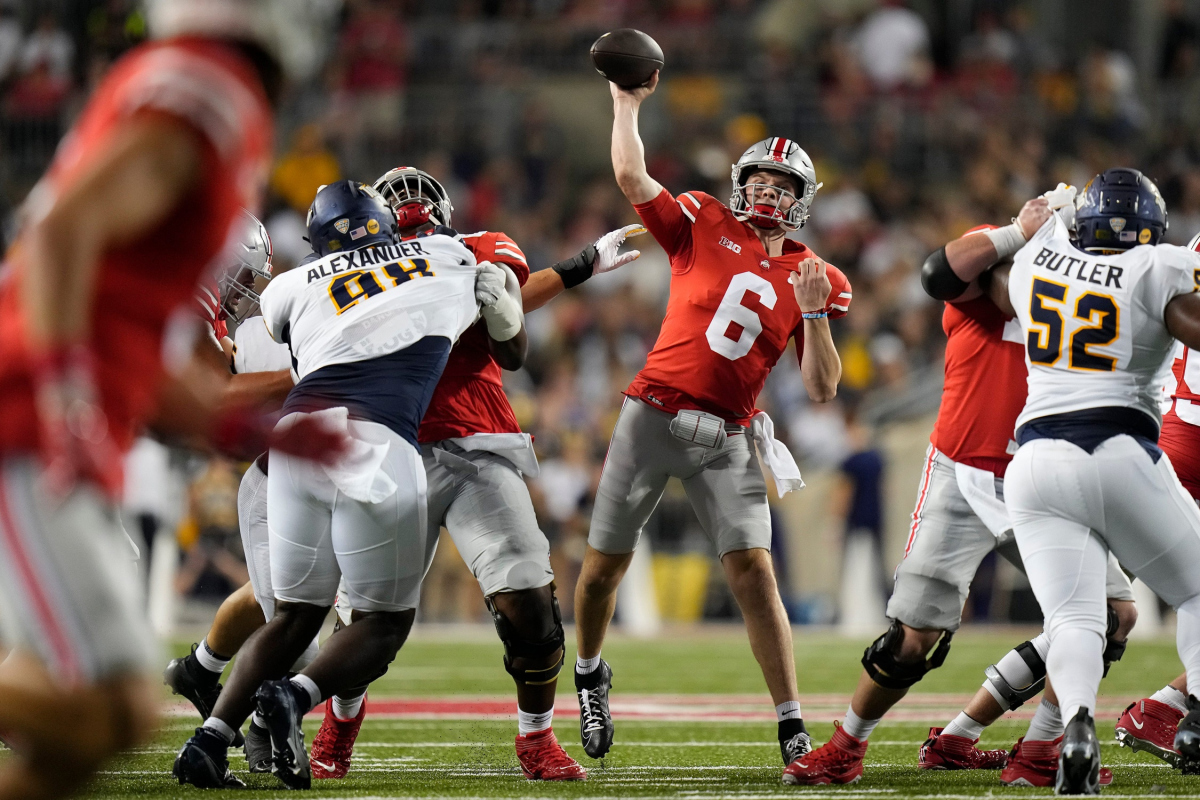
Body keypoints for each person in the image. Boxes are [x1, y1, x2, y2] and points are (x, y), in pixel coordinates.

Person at [0, 2, 345, 798]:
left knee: (84, 732)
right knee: (107, 706)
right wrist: (63, 400)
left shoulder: (194, 86)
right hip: (26, 409)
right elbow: (55, 237)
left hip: (51, 403)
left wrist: (255, 426)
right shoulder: (206, 88)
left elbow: (136, 361)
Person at [298, 166, 643, 782]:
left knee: (531, 606)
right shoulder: (349, 275)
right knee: (362, 619)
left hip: (474, 445)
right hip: (386, 447)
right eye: (394, 200)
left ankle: (536, 738)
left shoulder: (472, 253)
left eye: (418, 198)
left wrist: (577, 267)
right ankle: (337, 727)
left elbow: (508, 325)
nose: (408, 208)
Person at [172, 180, 505, 789]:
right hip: (375, 443)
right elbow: (509, 337)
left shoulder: (291, 286)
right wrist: (574, 268)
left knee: (295, 616)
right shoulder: (448, 257)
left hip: (295, 447)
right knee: (381, 624)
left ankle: (207, 741)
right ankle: (294, 700)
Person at [575, 71, 849, 774]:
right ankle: (590, 673)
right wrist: (626, 104)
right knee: (603, 569)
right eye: (760, 180)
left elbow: (821, 388)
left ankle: (791, 723)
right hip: (651, 415)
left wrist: (815, 314)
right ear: (740, 183)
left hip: (728, 435)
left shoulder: (817, 275)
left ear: (802, 200)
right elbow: (631, 174)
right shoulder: (701, 219)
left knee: (756, 573)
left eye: (784, 186)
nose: (769, 192)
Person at [962, 167, 1200, 793]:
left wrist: (1031, 220)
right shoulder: (1160, 265)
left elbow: (962, 274)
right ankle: (1196, 713)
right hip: (1118, 446)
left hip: (1035, 463)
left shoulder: (1038, 252)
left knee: (1073, 618)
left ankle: (1075, 731)